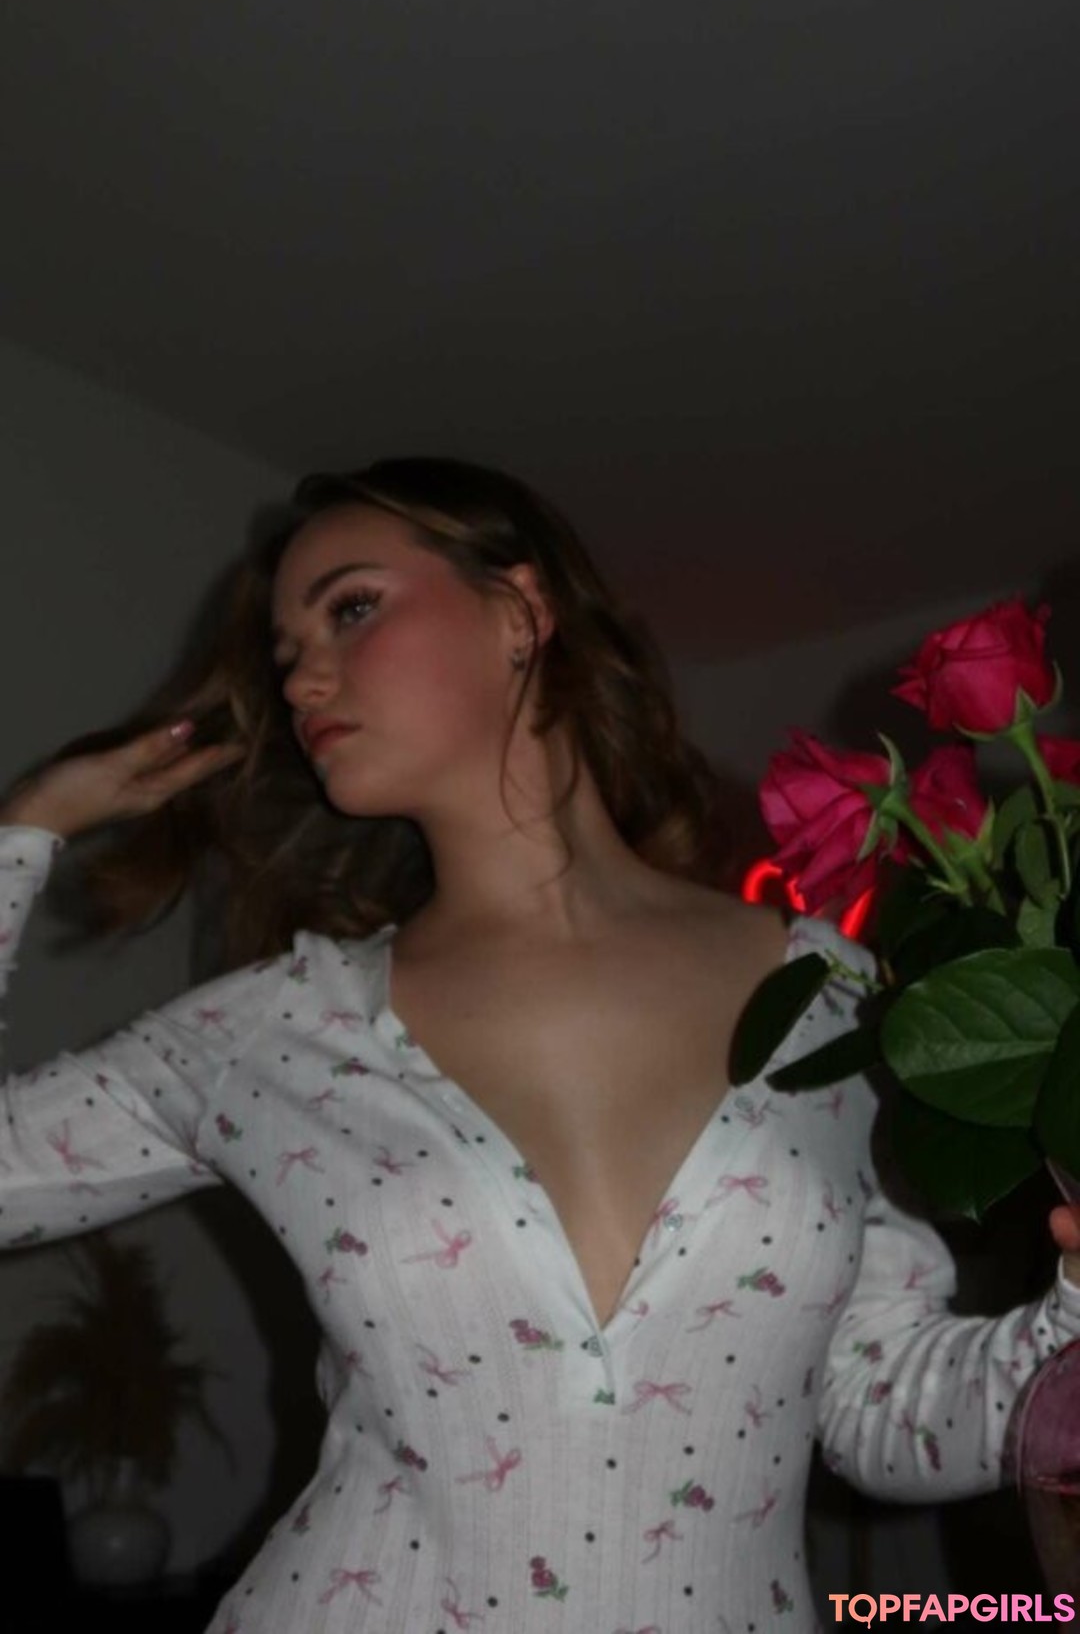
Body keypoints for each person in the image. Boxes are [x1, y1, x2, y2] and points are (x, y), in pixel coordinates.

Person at [1, 457, 1079, 1634]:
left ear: (520, 609)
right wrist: (27, 826)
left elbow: (880, 1406)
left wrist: (1072, 1314)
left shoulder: (837, 998)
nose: (303, 673)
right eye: (286, 648)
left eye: (350, 606)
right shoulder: (273, 1031)